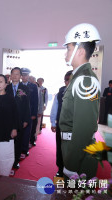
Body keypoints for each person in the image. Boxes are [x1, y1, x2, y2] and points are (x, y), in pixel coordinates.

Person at [59, 23, 101, 179]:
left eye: (68, 48)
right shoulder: (79, 78)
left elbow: (84, 127)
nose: (66, 53)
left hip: (79, 154)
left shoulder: (85, 80)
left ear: (80, 51)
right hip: (73, 148)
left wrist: (71, 163)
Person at [6, 67, 30, 172]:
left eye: (17, 74)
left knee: (18, 141)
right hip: (7, 120)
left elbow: (27, 106)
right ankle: (7, 160)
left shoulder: (25, 89)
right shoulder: (6, 88)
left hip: (20, 119)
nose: (15, 76)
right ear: (10, 76)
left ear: (20, 76)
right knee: (7, 141)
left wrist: (26, 120)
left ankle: (16, 161)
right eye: (13, 74)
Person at [50, 70, 72, 177]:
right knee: (60, 147)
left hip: (74, 127)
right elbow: (55, 108)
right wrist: (53, 122)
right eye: (66, 80)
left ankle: (72, 169)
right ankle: (60, 168)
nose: (68, 82)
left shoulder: (81, 92)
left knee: (72, 149)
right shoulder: (60, 92)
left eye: (70, 80)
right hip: (61, 125)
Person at [20, 68, 38, 158]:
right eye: (23, 75)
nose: (24, 77)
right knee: (19, 131)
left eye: (26, 75)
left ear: (28, 76)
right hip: (19, 113)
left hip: (29, 113)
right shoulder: (17, 85)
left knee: (27, 131)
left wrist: (34, 114)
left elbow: (35, 101)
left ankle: (24, 149)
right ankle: (18, 148)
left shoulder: (33, 86)